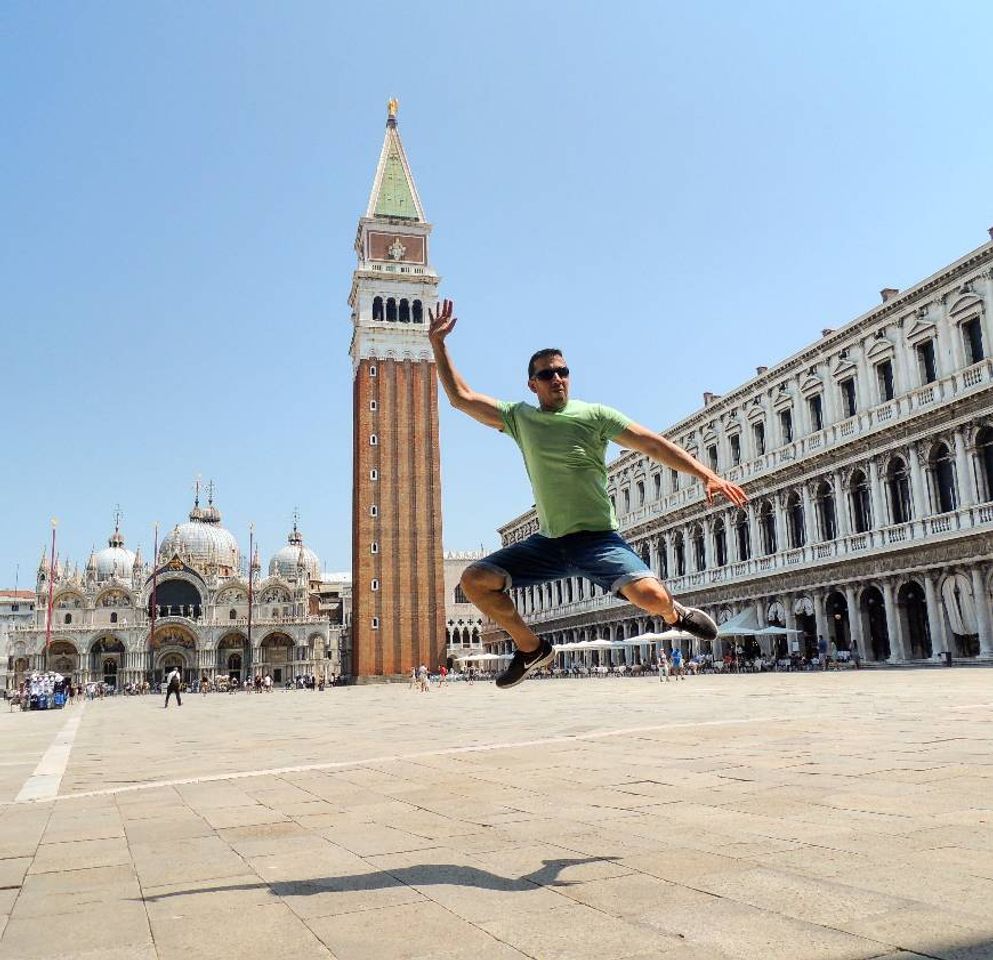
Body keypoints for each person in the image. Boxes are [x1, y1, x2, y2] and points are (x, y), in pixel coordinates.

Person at [428, 299, 748, 690]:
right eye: (547, 374)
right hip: (548, 544)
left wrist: (705, 473)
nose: (557, 378)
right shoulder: (519, 418)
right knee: (476, 579)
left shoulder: (595, 415)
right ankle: (531, 649)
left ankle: (673, 613)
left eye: (563, 371)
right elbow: (461, 397)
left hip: (598, 540)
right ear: (533, 384)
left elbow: (652, 444)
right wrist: (439, 344)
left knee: (649, 595)